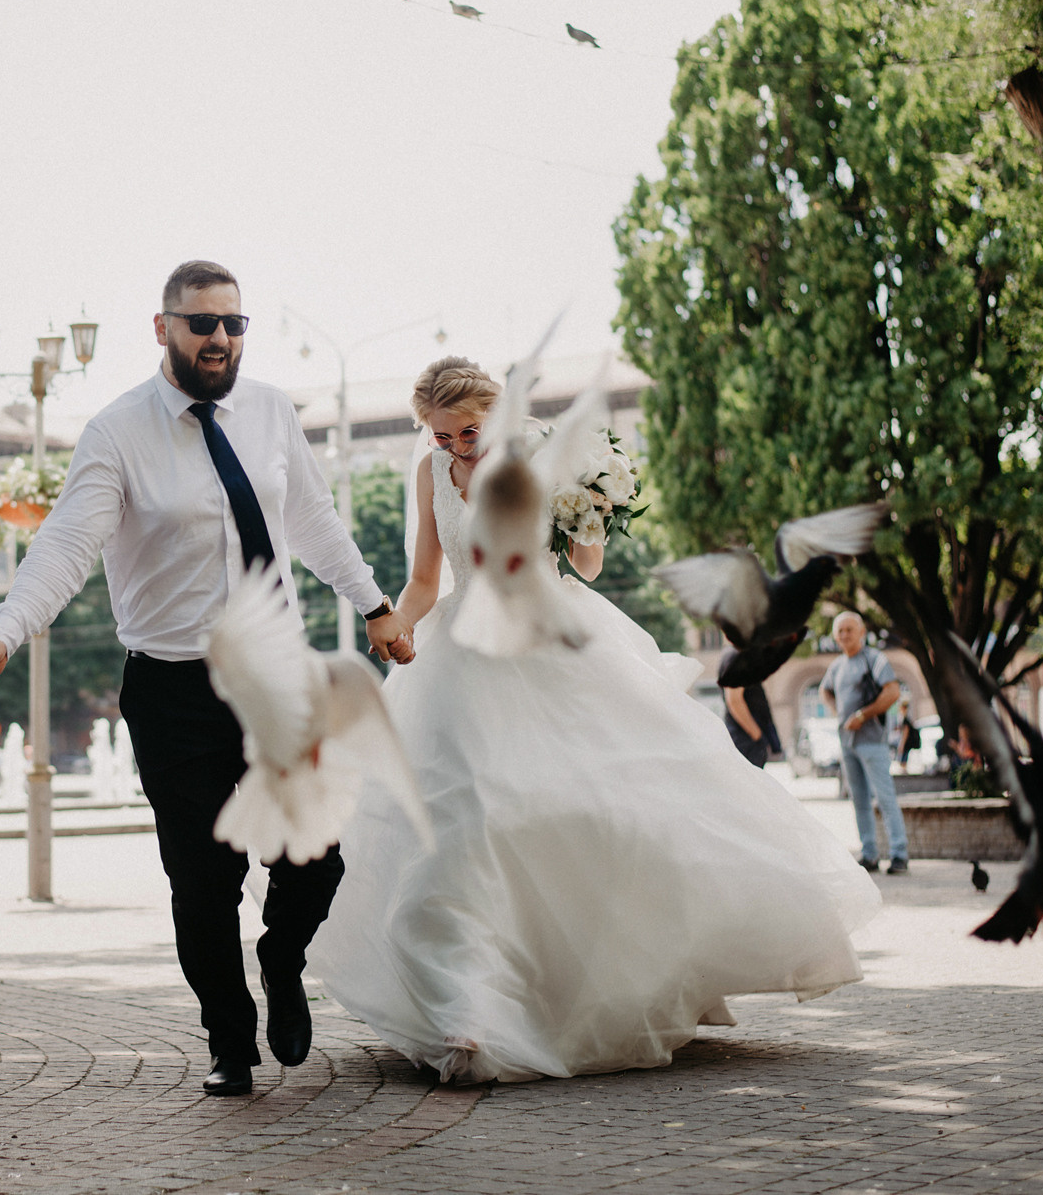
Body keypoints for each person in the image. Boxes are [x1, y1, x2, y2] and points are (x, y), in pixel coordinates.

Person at [306, 357, 879, 1084]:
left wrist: (590, 506)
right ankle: (471, 1011)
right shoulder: (429, 469)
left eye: (467, 431)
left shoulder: (546, 456)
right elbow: (425, 579)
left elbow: (588, 564)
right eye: (440, 436)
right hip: (464, 658)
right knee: (457, 826)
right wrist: (395, 625)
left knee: (603, 814)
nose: (455, 447)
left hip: (553, 641)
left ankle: (636, 981)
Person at [0, 260, 411, 1098]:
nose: (221, 338)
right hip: (173, 692)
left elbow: (311, 517)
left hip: (276, 681)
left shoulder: (270, 411)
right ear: (162, 327)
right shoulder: (118, 431)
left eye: (234, 323)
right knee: (203, 882)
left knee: (319, 856)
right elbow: (64, 546)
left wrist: (375, 601)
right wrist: (3, 635)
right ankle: (229, 1039)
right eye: (203, 324)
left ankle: (281, 955)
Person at [821, 611, 908, 875]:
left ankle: (899, 854)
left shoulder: (874, 659)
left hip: (872, 741)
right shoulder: (836, 665)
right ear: (836, 637)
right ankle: (869, 853)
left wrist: (863, 715)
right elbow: (825, 690)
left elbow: (893, 691)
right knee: (859, 799)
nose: (845, 635)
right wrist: (839, 714)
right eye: (841, 631)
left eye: (850, 629)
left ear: (861, 632)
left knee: (885, 798)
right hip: (847, 743)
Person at [719, 647, 779, 768]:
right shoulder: (738, 658)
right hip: (745, 742)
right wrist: (757, 736)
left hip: (747, 741)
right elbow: (734, 700)